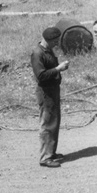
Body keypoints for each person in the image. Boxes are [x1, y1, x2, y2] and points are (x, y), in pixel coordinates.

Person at [30, 26, 69, 168]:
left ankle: (51, 152)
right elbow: (41, 76)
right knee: (47, 124)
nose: (57, 44)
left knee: (54, 122)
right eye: (55, 41)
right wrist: (58, 69)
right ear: (48, 39)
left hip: (53, 90)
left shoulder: (48, 50)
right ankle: (45, 158)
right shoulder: (37, 53)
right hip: (45, 92)